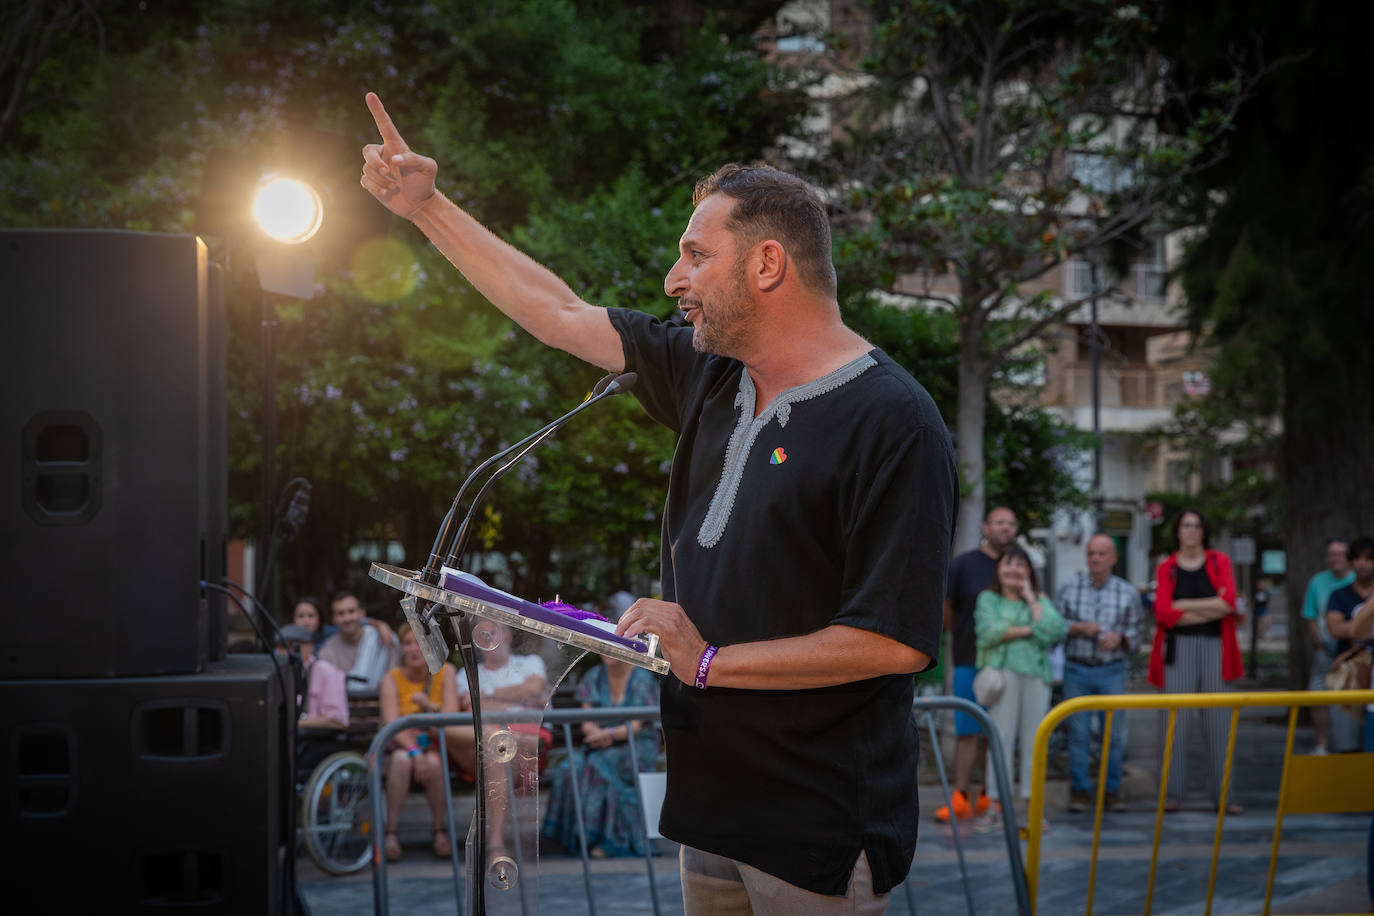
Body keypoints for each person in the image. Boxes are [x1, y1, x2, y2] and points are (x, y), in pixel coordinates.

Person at [361, 94, 956, 912]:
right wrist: (426, 208)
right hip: (709, 808)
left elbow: (891, 642)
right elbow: (559, 310)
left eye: (696, 255)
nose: (674, 279)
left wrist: (708, 662)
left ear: (768, 265)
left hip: (817, 826)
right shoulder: (709, 373)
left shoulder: (893, 420)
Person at [1147, 509, 1243, 813]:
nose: (1191, 531)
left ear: (1204, 531)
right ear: (1177, 531)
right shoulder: (1167, 567)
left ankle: (1224, 795)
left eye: (1197, 526)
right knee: (1175, 722)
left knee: (1220, 724)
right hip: (1178, 649)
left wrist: (1183, 606)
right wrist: (1210, 608)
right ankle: (1172, 794)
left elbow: (1228, 604)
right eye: (1186, 526)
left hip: (1217, 647)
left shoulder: (1219, 561)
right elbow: (1162, 613)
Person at [972, 545, 1066, 832]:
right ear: (998, 569)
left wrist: (1030, 599)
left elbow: (1055, 630)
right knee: (999, 740)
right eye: (1008, 564)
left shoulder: (1038, 599)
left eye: (1020, 565)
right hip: (1003, 675)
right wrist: (1030, 628)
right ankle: (994, 809)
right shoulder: (988, 599)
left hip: (1036, 677)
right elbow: (988, 632)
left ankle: (1031, 810)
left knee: (1035, 743)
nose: (1013, 570)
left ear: (1029, 571)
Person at [938, 505, 1018, 822]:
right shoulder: (964, 564)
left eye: (1011, 523)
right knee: (966, 730)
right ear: (986, 528)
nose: (1006, 528)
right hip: (969, 659)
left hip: (1008, 663)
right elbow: (947, 611)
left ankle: (990, 795)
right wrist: (960, 633)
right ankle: (959, 796)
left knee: (999, 731)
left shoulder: (1019, 565)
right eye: (999, 522)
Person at [541, 649, 662, 858]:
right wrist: (598, 735)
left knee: (597, 766)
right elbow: (588, 723)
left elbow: (635, 726)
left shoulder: (641, 678)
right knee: (568, 768)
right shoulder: (594, 676)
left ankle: (609, 840)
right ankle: (571, 837)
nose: (607, 651)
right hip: (599, 743)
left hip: (637, 745)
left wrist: (608, 734)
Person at [1056, 534, 1143, 812]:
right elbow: (1055, 627)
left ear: (1114, 558)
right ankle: (1080, 790)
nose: (1096, 558)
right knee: (1078, 733)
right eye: (1092, 553)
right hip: (1077, 668)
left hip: (1112, 669)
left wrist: (1121, 638)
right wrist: (1079, 628)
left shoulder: (1127, 592)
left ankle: (1112, 791)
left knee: (1113, 735)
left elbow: (1138, 634)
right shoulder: (1069, 588)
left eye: (1102, 554)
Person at [450, 621, 552, 856]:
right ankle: (495, 844)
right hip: (491, 744)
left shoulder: (530, 663)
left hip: (527, 750)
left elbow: (534, 690)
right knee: (496, 748)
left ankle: (495, 843)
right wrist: (517, 697)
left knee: (497, 751)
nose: (486, 639)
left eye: (491, 632)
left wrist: (490, 697)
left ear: (506, 634)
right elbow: (472, 708)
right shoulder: (465, 673)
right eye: (481, 635)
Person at [380, 622, 460, 862]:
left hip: (435, 743)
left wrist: (428, 705)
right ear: (401, 649)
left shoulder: (446, 672)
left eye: (419, 642)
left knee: (434, 763)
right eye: (407, 643)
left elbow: (452, 716)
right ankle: (390, 833)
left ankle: (439, 831)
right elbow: (392, 724)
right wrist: (415, 752)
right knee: (402, 760)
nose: (414, 649)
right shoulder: (390, 679)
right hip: (402, 744)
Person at [1302, 538, 1353, 755]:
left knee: (1351, 697)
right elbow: (1310, 614)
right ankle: (1322, 743)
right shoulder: (1318, 582)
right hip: (1327, 647)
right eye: (1332, 554)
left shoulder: (1356, 582)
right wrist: (1319, 641)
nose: (1336, 558)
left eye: (1340, 554)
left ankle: (1350, 746)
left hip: (1353, 650)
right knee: (1317, 694)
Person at [318, 590, 398, 695]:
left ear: (362, 614)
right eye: (341, 614)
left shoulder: (382, 638)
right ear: (334, 619)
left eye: (351, 611)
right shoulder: (327, 652)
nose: (347, 618)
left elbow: (396, 676)